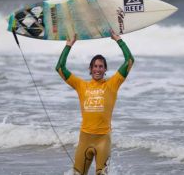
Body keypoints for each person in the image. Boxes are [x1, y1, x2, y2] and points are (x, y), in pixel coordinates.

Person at [55, 30, 134, 175]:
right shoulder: (81, 85)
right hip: (85, 139)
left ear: (105, 70)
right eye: (95, 66)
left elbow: (129, 60)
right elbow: (60, 68)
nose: (98, 69)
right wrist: (68, 45)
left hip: (103, 139)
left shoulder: (112, 84)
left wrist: (118, 40)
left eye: (101, 66)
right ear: (90, 69)